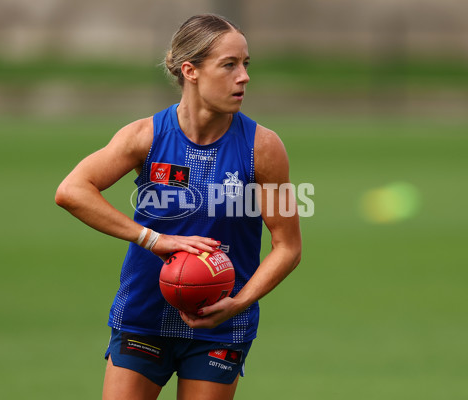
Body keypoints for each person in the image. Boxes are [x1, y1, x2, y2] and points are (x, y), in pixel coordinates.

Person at [55, 13, 301, 400]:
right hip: (144, 316)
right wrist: (154, 240)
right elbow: (72, 190)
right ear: (191, 71)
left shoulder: (264, 148)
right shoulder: (145, 136)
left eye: (246, 64)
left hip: (220, 327)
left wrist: (239, 302)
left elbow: (288, 246)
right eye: (229, 65)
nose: (244, 77)